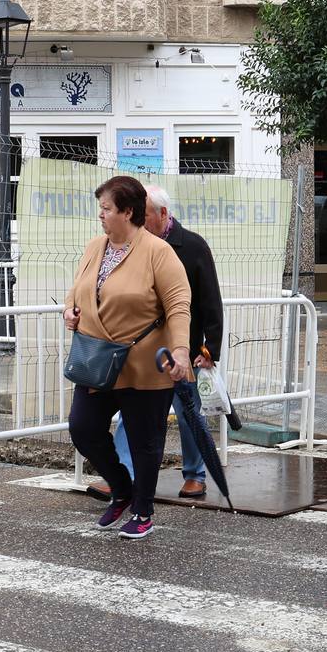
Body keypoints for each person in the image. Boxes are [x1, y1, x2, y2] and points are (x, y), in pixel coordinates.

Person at [63, 176, 192, 540]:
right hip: (98, 362)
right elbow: (77, 291)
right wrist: (70, 311)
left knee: (144, 440)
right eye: (100, 209)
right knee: (83, 428)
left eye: (106, 209)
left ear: (128, 212)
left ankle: (143, 510)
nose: (100, 216)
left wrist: (181, 350)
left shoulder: (158, 252)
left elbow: (179, 306)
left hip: (144, 365)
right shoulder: (94, 247)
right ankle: (122, 489)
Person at [94, 184, 225, 500]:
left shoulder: (193, 247)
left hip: (183, 351)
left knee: (188, 415)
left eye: (145, 213)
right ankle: (123, 474)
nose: (139, 219)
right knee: (130, 414)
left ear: (163, 214)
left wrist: (210, 349)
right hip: (141, 352)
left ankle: (195, 475)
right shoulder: (131, 246)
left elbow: (210, 302)